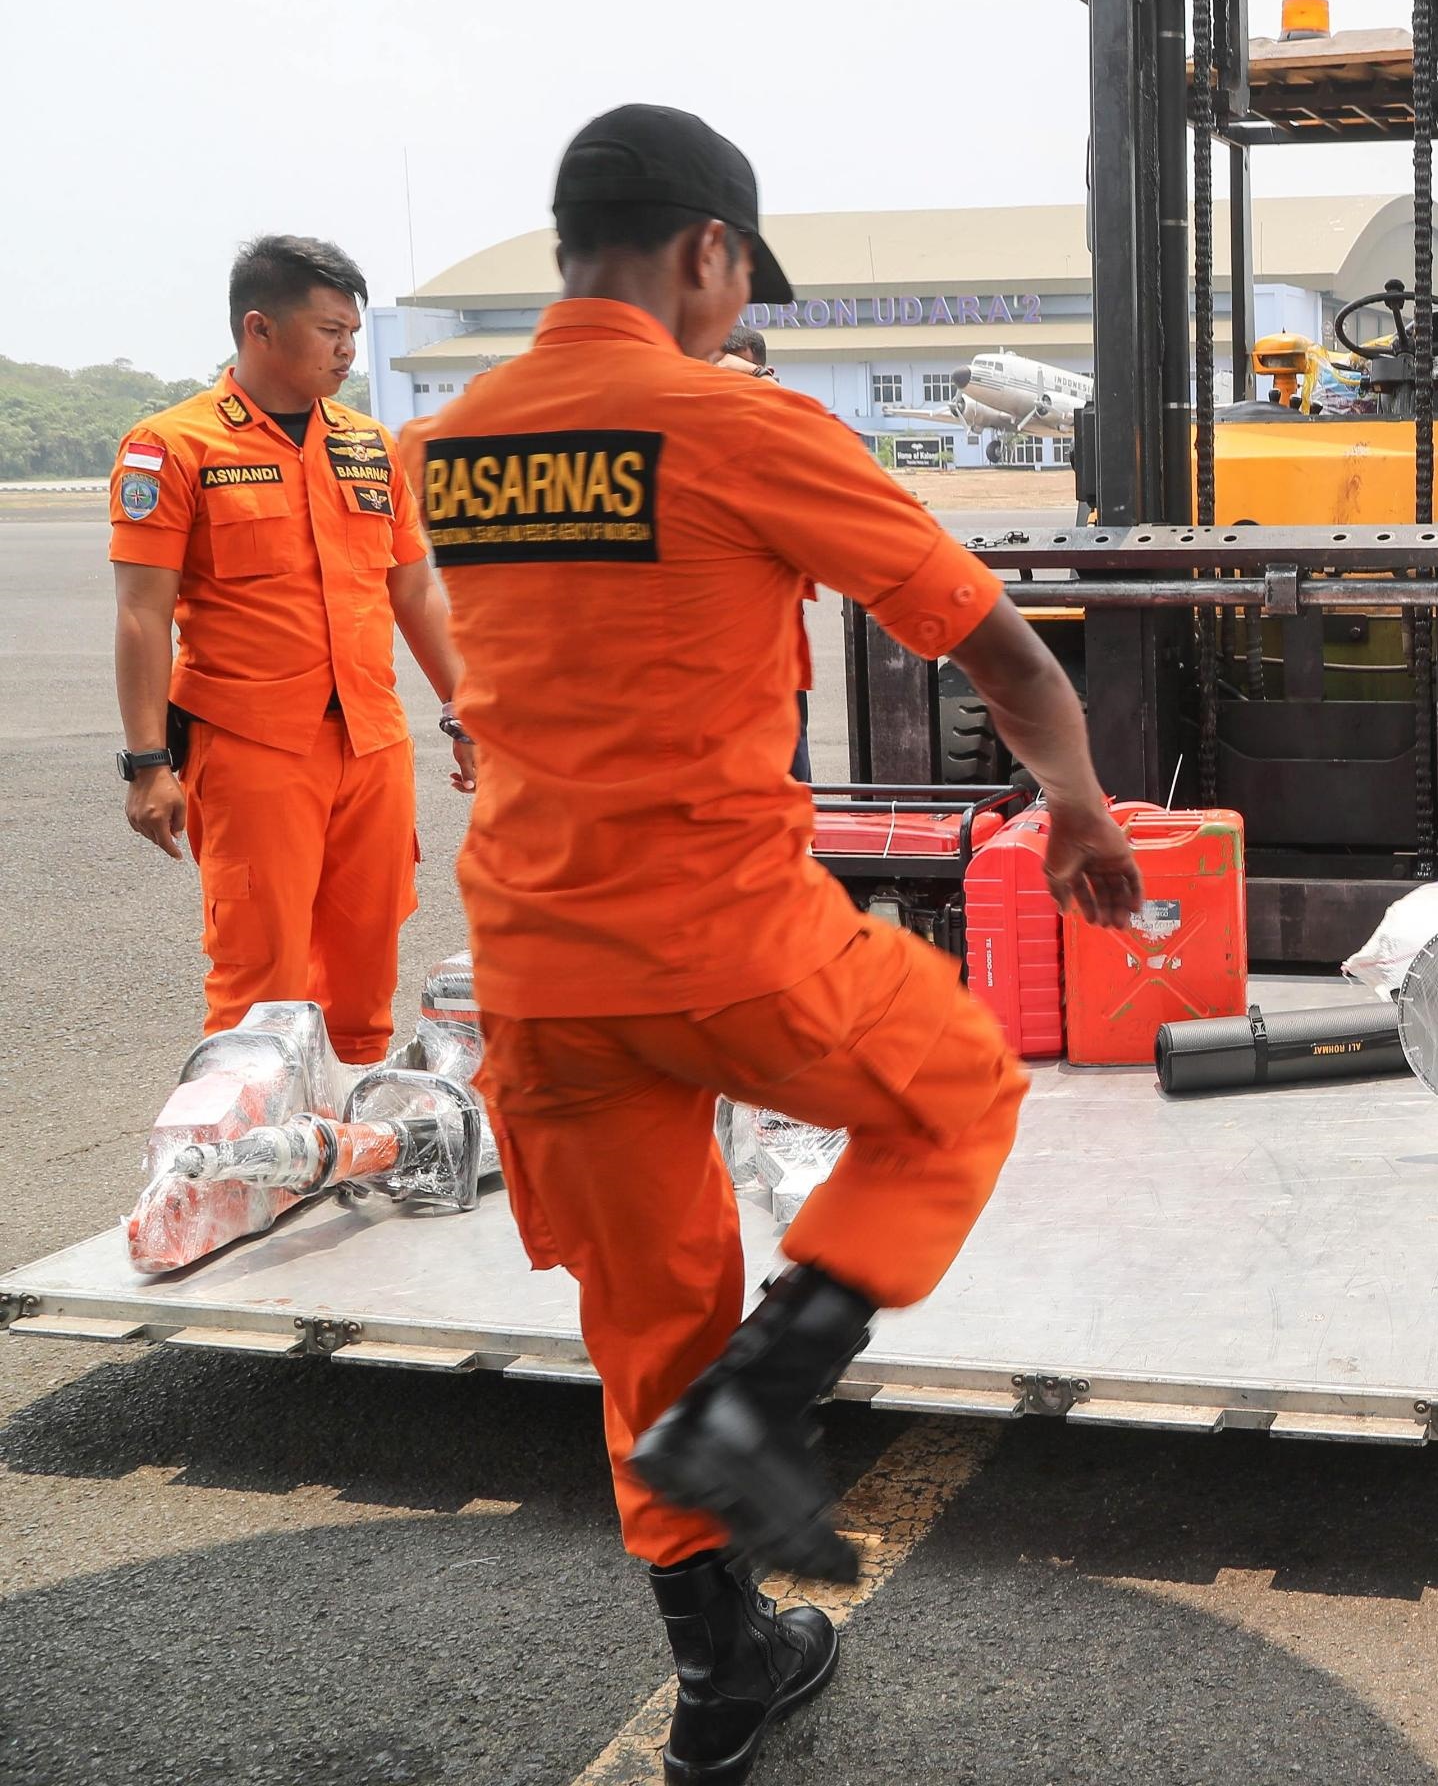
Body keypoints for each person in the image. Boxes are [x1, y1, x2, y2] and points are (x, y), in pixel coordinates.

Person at [401, 104, 1142, 1785]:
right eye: (742, 280)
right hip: (731, 941)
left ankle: (723, 1674)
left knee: (646, 1324)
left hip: (533, 962)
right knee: (953, 1084)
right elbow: (1000, 647)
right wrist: (1082, 809)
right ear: (708, 253)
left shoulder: (451, 443)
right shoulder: (735, 422)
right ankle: (771, 1388)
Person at [109, 235, 475, 1062]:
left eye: (352, 330)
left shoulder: (368, 446)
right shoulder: (174, 446)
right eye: (329, 330)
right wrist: (145, 763)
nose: (348, 350)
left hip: (370, 744)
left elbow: (412, 589)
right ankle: (246, 1166)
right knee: (261, 975)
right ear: (259, 328)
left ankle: (350, 1149)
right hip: (252, 746)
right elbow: (141, 612)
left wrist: (468, 711)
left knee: (366, 960)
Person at [708, 326, 816, 780]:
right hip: (709, 653)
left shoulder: (773, 431)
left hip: (767, 646)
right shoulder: (691, 429)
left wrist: (756, 378)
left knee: (788, 774)